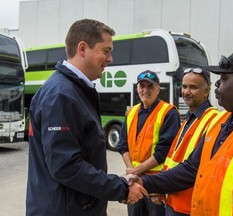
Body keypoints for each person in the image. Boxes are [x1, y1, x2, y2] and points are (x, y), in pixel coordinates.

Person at [129, 49, 233, 216]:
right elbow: (191, 169)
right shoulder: (222, 121)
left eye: (224, 78)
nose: (217, 84)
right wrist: (145, 181)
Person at [26, 19, 147, 216]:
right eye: (106, 51)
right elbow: (66, 166)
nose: (110, 59)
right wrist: (120, 188)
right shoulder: (61, 95)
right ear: (83, 48)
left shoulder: (74, 91)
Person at [117, 70, 181, 216]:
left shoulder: (168, 113)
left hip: (156, 183)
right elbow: (122, 145)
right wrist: (131, 171)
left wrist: (134, 171)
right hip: (134, 181)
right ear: (137, 88)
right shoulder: (131, 112)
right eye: (142, 86)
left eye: (150, 86)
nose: (145, 90)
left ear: (158, 89)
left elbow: (164, 151)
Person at [162, 67, 219, 216]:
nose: (186, 92)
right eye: (184, 86)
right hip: (173, 199)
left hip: (189, 207)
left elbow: (195, 168)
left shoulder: (213, 120)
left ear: (207, 91)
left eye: (193, 87)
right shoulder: (189, 118)